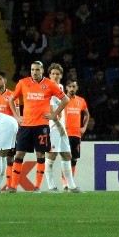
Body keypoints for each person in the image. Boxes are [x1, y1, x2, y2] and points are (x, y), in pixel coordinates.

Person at [7, 61, 70, 192]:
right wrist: (17, 117)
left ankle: (37, 187)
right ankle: (12, 186)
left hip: (42, 125)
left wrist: (54, 115)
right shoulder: (23, 83)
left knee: (40, 155)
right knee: (19, 154)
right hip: (26, 125)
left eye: (37, 70)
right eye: (32, 70)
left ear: (42, 71)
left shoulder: (50, 84)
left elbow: (65, 100)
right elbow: (11, 99)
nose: (34, 72)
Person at [43, 64, 80, 193]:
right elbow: (52, 111)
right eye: (53, 73)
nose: (55, 76)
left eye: (57, 73)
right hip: (53, 127)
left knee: (67, 155)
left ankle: (71, 186)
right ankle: (51, 186)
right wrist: (59, 126)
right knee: (51, 155)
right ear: (49, 75)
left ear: (61, 75)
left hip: (61, 126)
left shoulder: (60, 88)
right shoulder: (49, 88)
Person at [63, 78, 89, 183]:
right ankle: (65, 183)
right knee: (65, 159)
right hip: (64, 134)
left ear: (77, 88)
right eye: (70, 86)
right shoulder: (62, 100)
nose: (72, 88)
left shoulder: (81, 101)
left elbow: (87, 114)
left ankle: (71, 182)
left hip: (76, 134)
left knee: (73, 159)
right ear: (66, 88)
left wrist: (84, 127)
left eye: (74, 86)